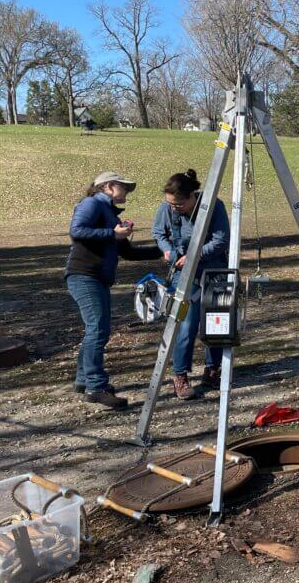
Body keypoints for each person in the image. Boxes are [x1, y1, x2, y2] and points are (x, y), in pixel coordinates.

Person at [65, 171, 160, 408]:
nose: (127, 192)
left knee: (95, 330)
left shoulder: (111, 214)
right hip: (84, 274)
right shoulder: (92, 203)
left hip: (96, 277)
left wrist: (163, 251)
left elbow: (128, 252)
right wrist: (112, 233)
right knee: (98, 330)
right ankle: (95, 387)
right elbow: (77, 231)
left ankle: (83, 380)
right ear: (108, 186)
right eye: (124, 187)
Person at [152, 169, 230, 400]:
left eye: (178, 204)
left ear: (192, 196)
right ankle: (181, 375)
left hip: (213, 271)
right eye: (171, 205)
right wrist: (167, 250)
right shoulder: (167, 208)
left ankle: (213, 368)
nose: (174, 208)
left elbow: (220, 240)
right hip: (182, 274)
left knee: (216, 321)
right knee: (185, 324)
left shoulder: (214, 206)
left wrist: (195, 255)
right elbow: (159, 233)